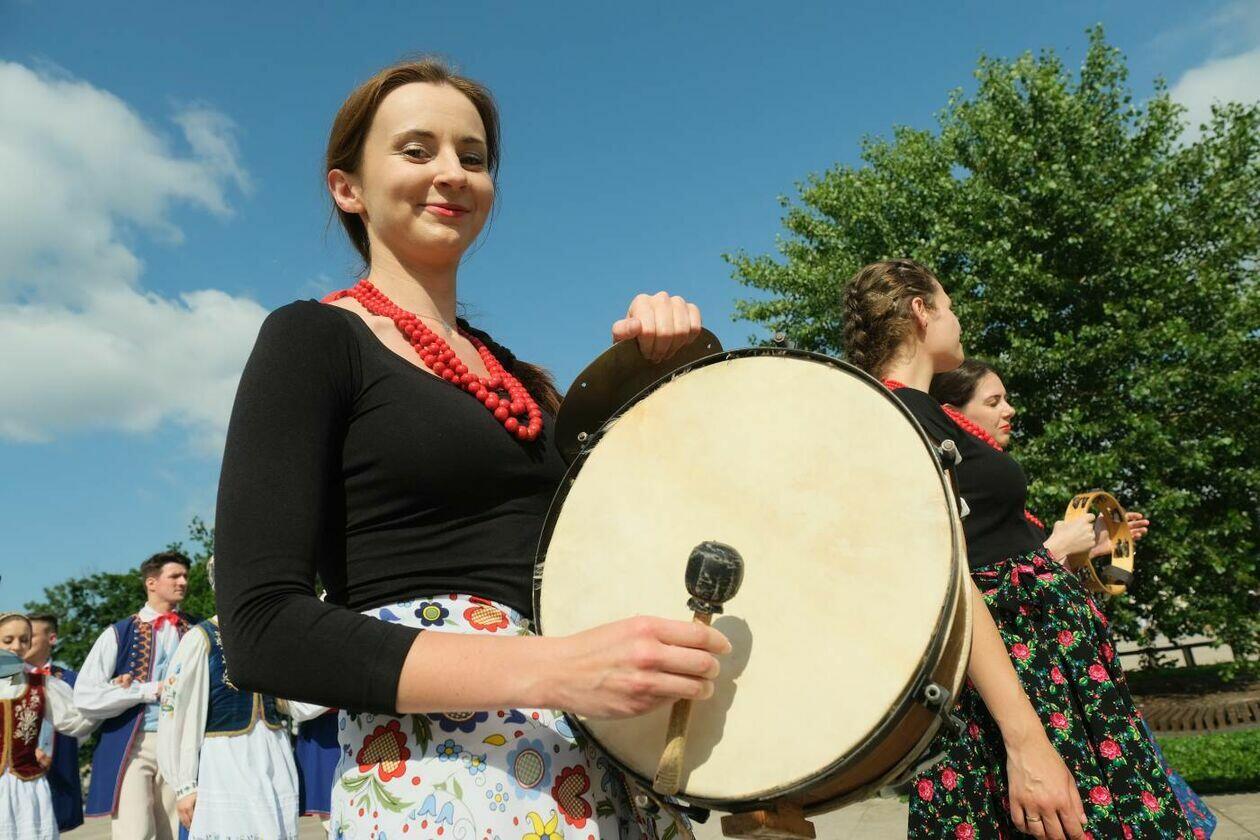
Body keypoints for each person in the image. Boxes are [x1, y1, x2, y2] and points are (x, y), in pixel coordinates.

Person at [214, 58, 724, 840]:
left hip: (591, 758)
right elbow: (261, 629)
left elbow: (619, 542)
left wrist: (658, 377)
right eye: (417, 150)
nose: (452, 172)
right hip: (439, 777)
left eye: (474, 156)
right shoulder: (312, 338)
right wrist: (556, 669)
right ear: (347, 188)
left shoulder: (523, 380)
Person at [842, 258, 1195, 840]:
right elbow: (949, 581)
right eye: (949, 306)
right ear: (920, 310)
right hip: (1019, 686)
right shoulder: (899, 416)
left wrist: (1069, 555)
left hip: (1042, 675)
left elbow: (985, 546)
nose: (957, 320)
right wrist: (1027, 742)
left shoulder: (921, 412)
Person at [930, 358, 1217, 838]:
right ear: (953, 415)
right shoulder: (955, 492)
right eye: (993, 401)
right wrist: (1057, 548)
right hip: (1036, 697)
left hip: (1069, 687)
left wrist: (1089, 551)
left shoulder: (996, 505)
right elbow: (987, 594)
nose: (1009, 410)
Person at [157, 557, 325, 839]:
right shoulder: (201, 638)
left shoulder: (269, 640)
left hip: (273, 753)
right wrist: (184, 784)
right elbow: (177, 712)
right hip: (225, 758)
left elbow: (297, 701)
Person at [75, 552, 199, 839]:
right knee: (135, 831)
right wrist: (143, 690)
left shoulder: (197, 630)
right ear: (151, 583)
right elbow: (85, 696)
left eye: (185, 576)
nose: (183, 582)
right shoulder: (120, 633)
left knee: (178, 828)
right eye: (175, 576)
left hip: (183, 742)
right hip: (135, 743)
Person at [0, 613, 94, 840]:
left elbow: (77, 721)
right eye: (8, 640)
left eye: (24, 640)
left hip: (27, 788)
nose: (17, 646)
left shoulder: (43, 686)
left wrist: (116, 696)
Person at [23, 614, 86, 834]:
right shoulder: (8, 679)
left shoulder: (72, 680)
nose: (24, 641)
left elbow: (84, 729)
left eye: (30, 636)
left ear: (51, 638)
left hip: (60, 778)